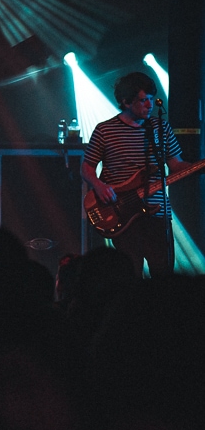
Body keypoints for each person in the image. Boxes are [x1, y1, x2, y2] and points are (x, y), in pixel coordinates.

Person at [81, 71, 187, 279]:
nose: (149, 105)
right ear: (126, 101)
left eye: (150, 99)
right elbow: (87, 167)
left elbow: (176, 164)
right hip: (123, 214)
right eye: (143, 100)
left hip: (157, 214)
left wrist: (197, 167)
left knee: (163, 277)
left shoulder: (161, 128)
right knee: (129, 276)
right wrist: (99, 186)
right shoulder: (105, 130)